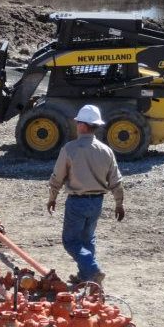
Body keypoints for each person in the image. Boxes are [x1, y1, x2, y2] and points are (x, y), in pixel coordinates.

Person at [46, 104, 125, 288]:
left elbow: (57, 177)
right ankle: (86, 277)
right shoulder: (106, 150)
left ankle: (92, 268)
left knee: (71, 241)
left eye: (78, 122)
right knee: (88, 239)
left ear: (82, 125)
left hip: (77, 202)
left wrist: (52, 197)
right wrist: (119, 203)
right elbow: (116, 180)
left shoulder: (70, 149)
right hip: (97, 202)